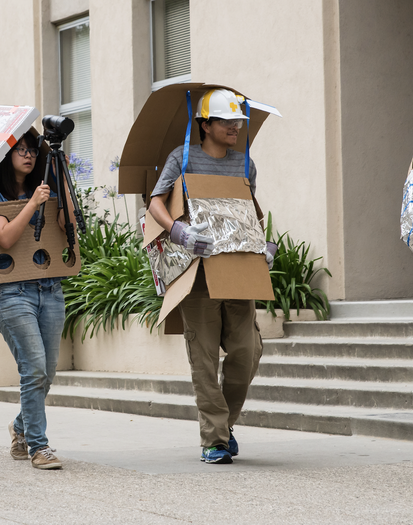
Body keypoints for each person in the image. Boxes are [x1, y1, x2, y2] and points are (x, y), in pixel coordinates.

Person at [146, 88, 275, 464]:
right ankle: (215, 440)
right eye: (227, 121)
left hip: (238, 268)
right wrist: (176, 231)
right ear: (205, 124)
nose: (236, 127)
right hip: (197, 270)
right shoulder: (181, 158)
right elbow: (155, 201)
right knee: (203, 358)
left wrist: (261, 247)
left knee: (246, 353)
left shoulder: (244, 164)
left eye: (239, 122)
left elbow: (248, 211)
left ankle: (225, 424)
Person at [0, 131, 75, 470]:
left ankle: (20, 427)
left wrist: (60, 177)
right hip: (13, 294)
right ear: (7, 157)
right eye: (20, 150)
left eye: (33, 151)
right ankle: (39, 447)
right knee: (34, 368)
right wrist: (32, 204)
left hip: (50, 289)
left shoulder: (46, 190)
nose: (28, 155)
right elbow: (5, 237)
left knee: (46, 372)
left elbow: (67, 226)